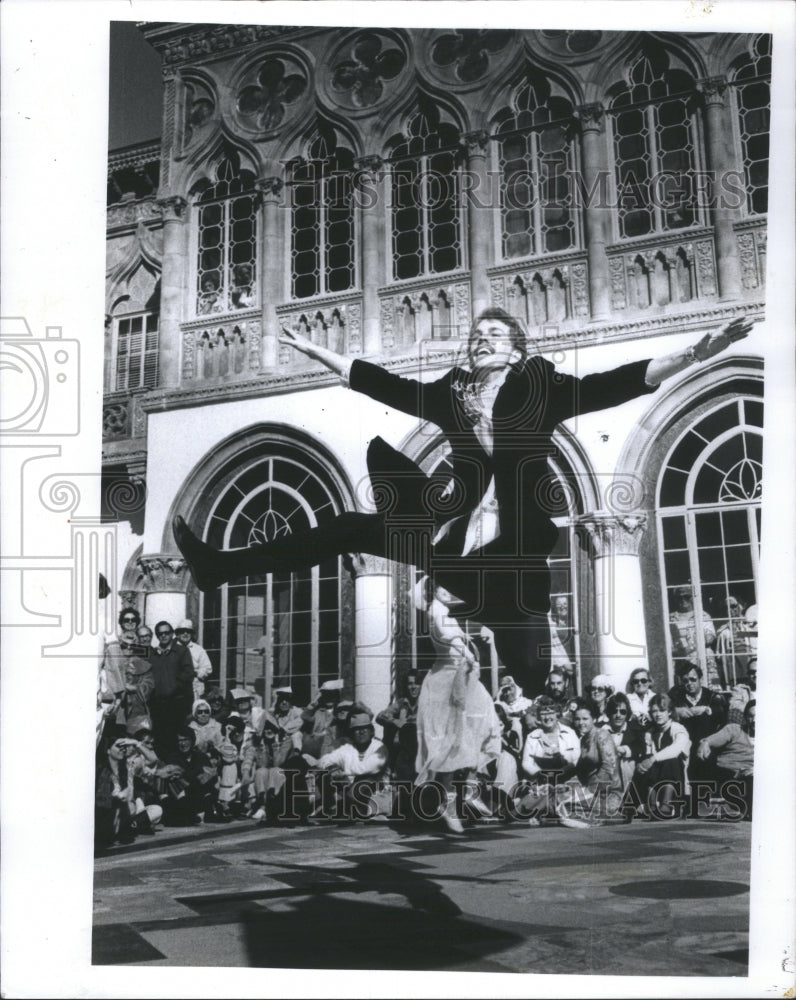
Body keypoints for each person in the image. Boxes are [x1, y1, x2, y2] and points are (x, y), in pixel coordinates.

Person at [173, 311, 753, 695]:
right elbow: (385, 386)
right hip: (455, 539)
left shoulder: (542, 390)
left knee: (527, 666)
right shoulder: (452, 396)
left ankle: (526, 669)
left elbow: (622, 380)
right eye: (476, 335)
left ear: (516, 351)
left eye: (493, 336)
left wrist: (702, 349)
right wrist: (318, 352)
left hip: (516, 546)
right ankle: (219, 567)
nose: (480, 340)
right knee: (350, 525)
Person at [306, 709, 388, 820]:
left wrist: (343, 774)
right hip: (351, 794)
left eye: (365, 728)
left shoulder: (379, 747)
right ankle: (334, 808)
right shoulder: (348, 748)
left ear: (371, 731)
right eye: (357, 729)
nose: (361, 732)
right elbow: (326, 760)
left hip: (377, 793)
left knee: (360, 784)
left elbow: (365, 769)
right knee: (324, 774)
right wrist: (329, 767)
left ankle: (345, 809)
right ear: (352, 733)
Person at [633, 693, 691, 818]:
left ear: (669, 712)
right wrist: (646, 762)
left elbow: (676, 749)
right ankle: (652, 804)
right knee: (645, 758)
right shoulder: (651, 732)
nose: (658, 714)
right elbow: (648, 754)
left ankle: (667, 804)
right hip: (656, 779)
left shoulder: (678, 728)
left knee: (671, 760)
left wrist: (653, 759)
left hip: (676, 781)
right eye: (654, 711)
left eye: (662, 710)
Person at [696, 701, 755, 819]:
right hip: (728, 772)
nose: (754, 720)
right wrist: (705, 743)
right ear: (745, 717)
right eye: (750, 716)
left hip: (750, 775)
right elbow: (710, 740)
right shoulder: (734, 729)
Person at [668, 663, 726, 781]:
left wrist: (707, 709)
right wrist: (676, 712)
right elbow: (663, 709)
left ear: (700, 679)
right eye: (685, 681)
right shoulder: (675, 696)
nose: (689, 683)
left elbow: (722, 714)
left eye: (693, 679)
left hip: (706, 742)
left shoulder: (711, 696)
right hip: (683, 743)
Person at [149, 621, 195, 756]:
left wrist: (172, 688)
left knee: (175, 739)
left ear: (172, 634)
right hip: (158, 705)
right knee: (159, 738)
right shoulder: (153, 654)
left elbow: (188, 674)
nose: (164, 636)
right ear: (157, 636)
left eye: (166, 633)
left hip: (176, 704)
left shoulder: (181, 651)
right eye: (160, 633)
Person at [669, 585, 719, 687]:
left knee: (709, 686)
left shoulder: (703, 615)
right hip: (680, 660)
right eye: (679, 597)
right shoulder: (670, 618)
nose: (683, 600)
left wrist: (688, 648)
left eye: (686, 596)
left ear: (693, 597)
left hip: (702, 659)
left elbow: (709, 638)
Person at [376, 671, 421, 782]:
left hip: (420, 747)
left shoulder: (426, 702)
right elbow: (380, 716)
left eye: (417, 683)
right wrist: (396, 722)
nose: (413, 687)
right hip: (403, 749)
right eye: (410, 684)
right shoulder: (401, 703)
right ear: (406, 686)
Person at [602, 692, 647, 791]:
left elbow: (642, 748)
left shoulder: (636, 730)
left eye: (622, 712)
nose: (618, 715)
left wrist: (624, 750)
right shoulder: (601, 730)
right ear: (609, 713)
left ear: (627, 714)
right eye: (614, 711)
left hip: (631, 781)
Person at [714, 595, 754, 688]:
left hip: (750, 668)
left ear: (740, 606)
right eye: (726, 608)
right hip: (733, 671)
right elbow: (719, 656)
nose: (730, 610)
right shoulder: (723, 631)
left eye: (733, 606)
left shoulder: (749, 625)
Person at [174, 619, 213, 699]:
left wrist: (196, 674)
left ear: (191, 634)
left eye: (188, 631)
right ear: (178, 633)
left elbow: (208, 668)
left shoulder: (198, 649)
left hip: (194, 685)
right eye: (182, 631)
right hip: (176, 685)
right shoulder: (172, 648)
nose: (185, 634)